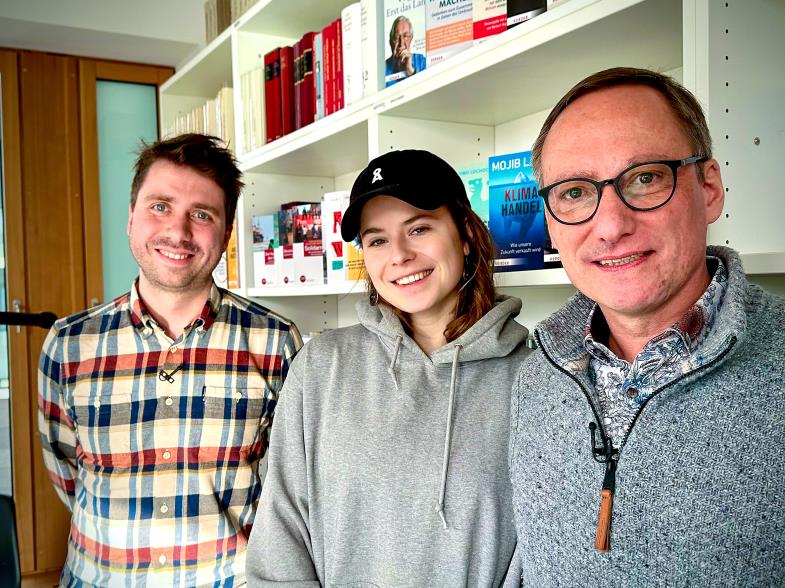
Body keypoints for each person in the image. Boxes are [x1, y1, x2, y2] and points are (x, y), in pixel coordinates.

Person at [509, 67, 785, 585]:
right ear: (549, 221)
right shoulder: (536, 378)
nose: (611, 225)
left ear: (710, 188)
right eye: (573, 192)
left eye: (645, 178)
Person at [246, 149, 529, 586]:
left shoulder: (533, 376)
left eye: (419, 229)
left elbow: (537, 551)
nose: (398, 255)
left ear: (466, 235)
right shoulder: (321, 366)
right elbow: (281, 529)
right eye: (377, 239)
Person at [38, 133, 302, 587]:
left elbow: (284, 485)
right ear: (131, 218)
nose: (178, 232)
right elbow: (67, 473)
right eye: (160, 206)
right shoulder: (68, 344)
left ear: (226, 233)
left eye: (201, 215)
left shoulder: (277, 343)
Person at [385, 15, 426, 86]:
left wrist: (410, 71)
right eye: (397, 37)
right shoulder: (382, 70)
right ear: (391, 42)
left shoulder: (421, 61)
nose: (401, 43)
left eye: (406, 36)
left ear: (411, 39)